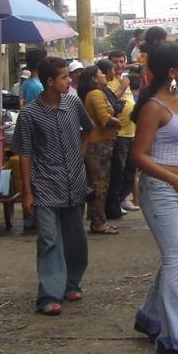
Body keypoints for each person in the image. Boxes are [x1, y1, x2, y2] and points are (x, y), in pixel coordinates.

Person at [131, 42, 178, 354]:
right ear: (172, 71)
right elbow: (138, 156)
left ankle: (149, 317)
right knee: (176, 259)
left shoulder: (177, 98)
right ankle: (173, 337)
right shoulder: (154, 107)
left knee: (177, 256)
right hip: (161, 190)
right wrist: (175, 179)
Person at [13, 57, 93, 315]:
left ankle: (72, 282)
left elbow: (88, 129)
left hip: (75, 183)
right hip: (45, 185)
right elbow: (24, 154)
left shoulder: (73, 103)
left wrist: (80, 155)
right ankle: (48, 294)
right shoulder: (29, 115)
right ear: (49, 82)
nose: (69, 81)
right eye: (63, 77)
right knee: (48, 240)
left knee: (75, 238)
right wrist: (27, 193)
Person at [79, 64, 121, 234]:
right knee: (100, 184)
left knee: (98, 183)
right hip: (99, 146)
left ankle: (97, 219)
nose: (104, 75)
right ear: (94, 79)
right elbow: (104, 118)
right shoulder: (96, 94)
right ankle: (98, 222)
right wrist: (117, 122)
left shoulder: (95, 93)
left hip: (100, 144)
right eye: (101, 73)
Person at [106, 52, 136, 219]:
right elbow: (110, 102)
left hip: (132, 131)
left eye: (122, 61)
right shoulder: (110, 81)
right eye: (115, 62)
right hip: (120, 133)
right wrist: (123, 87)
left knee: (130, 171)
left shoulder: (124, 79)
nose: (119, 65)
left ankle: (122, 198)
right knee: (118, 170)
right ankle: (114, 203)